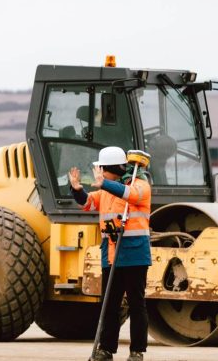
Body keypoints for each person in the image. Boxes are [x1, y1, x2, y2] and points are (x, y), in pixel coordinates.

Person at [68, 146, 151, 361]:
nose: (99, 172)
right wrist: (77, 189)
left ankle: (137, 351)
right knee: (109, 304)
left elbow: (130, 195)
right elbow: (87, 203)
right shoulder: (104, 191)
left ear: (109, 168)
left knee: (136, 303)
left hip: (134, 255)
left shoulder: (141, 186)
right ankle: (106, 349)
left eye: (101, 168)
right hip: (111, 255)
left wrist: (104, 183)